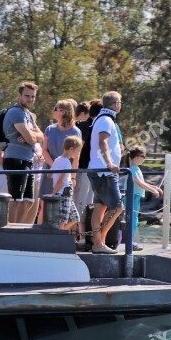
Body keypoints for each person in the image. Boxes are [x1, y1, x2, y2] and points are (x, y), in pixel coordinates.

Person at [88, 91, 125, 254]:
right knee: (117, 207)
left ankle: (98, 242)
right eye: (120, 102)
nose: (121, 105)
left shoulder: (103, 119)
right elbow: (102, 142)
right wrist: (110, 163)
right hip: (104, 172)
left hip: (99, 170)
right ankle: (99, 241)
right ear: (116, 104)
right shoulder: (105, 120)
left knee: (100, 207)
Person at [3, 82, 45, 223]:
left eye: (33, 97)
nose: (30, 99)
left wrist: (32, 135)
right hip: (15, 160)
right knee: (16, 200)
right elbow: (31, 139)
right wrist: (31, 137)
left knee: (28, 201)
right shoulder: (15, 112)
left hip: (28, 160)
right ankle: (10, 233)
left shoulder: (29, 115)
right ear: (19, 95)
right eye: (27, 96)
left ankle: (19, 230)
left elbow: (41, 136)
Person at [38, 100, 81, 223]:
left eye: (55, 108)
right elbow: (44, 150)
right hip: (50, 171)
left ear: (63, 111)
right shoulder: (49, 129)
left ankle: (58, 235)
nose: (53, 111)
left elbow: (76, 157)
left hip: (66, 175)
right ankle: (39, 233)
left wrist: (73, 177)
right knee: (44, 203)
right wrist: (55, 166)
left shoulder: (75, 131)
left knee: (64, 209)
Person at [129, 145, 162, 249]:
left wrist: (155, 187)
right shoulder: (132, 169)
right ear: (138, 156)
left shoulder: (136, 169)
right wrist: (153, 190)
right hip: (132, 197)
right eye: (144, 157)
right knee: (133, 220)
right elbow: (139, 183)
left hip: (136, 196)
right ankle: (131, 242)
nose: (144, 159)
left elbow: (143, 182)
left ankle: (132, 242)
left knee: (135, 219)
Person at [50, 135, 83, 231]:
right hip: (64, 193)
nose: (78, 154)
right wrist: (53, 193)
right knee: (63, 219)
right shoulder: (67, 163)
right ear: (71, 149)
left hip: (65, 192)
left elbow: (50, 174)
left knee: (75, 218)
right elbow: (60, 181)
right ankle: (60, 235)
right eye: (77, 151)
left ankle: (62, 232)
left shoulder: (57, 160)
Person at [73, 100, 95, 241]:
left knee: (81, 201)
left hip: (83, 168)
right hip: (87, 168)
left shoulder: (83, 127)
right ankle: (81, 235)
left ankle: (80, 235)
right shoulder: (89, 126)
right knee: (85, 202)